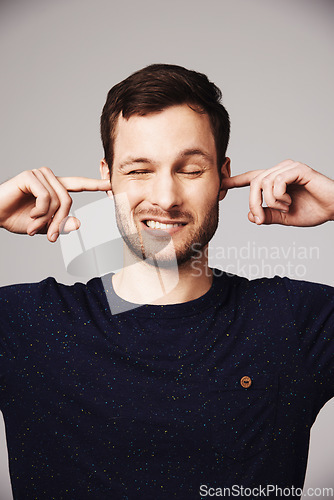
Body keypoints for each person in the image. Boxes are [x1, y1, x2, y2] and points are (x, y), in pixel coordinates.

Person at [0, 64, 333, 499]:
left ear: (223, 178)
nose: (166, 197)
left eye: (191, 170)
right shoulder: (27, 324)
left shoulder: (292, 321)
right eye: (139, 170)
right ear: (108, 179)